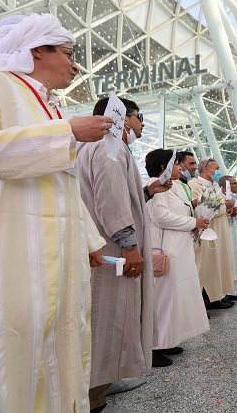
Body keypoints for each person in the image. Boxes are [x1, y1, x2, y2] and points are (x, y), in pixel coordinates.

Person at [0, 13, 111, 412]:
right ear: (35, 51)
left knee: (50, 346)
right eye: (67, 53)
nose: (74, 65)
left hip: (52, 261)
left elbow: (60, 184)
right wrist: (66, 133)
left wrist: (89, 240)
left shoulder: (45, 106)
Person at [76, 96, 157, 411]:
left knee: (103, 319)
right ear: (123, 117)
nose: (141, 124)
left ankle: (96, 386)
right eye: (138, 117)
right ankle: (94, 394)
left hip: (103, 247)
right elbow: (109, 198)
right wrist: (129, 245)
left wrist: (148, 192)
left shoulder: (94, 147)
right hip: (113, 252)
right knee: (109, 319)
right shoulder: (108, 147)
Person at [145, 149, 210, 366]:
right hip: (166, 250)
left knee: (174, 297)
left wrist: (197, 221)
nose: (180, 168)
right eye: (176, 164)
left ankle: (168, 340)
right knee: (162, 299)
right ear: (163, 167)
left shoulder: (175, 187)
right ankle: (153, 347)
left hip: (179, 248)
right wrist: (193, 223)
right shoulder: (155, 185)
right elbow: (161, 217)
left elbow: (183, 213)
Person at [188, 159, 237, 310]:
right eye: (216, 168)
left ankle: (216, 296)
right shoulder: (195, 185)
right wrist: (225, 207)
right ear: (206, 169)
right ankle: (205, 300)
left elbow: (220, 207)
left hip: (220, 229)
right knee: (206, 266)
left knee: (218, 264)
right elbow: (200, 209)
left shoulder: (215, 186)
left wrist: (229, 210)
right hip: (206, 230)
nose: (218, 172)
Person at [219, 175, 237, 302]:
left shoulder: (235, 198)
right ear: (226, 186)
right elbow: (218, 216)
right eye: (234, 183)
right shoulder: (220, 198)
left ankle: (232, 291)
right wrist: (230, 212)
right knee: (227, 260)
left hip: (235, 231)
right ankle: (224, 292)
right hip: (226, 232)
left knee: (235, 261)